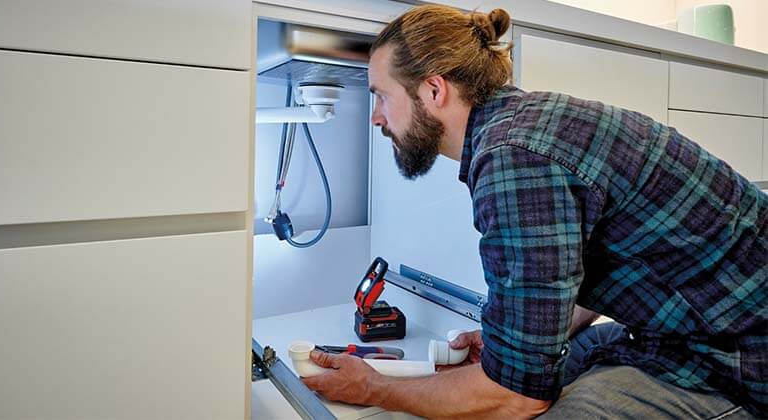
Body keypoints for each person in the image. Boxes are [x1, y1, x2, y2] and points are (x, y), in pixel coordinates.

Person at [301, 4, 767, 418]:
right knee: (545, 365)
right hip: (691, 327)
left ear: (434, 89)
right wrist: (519, 338)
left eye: (381, 95)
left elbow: (518, 398)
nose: (376, 117)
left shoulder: (514, 157)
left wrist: (375, 388)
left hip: (737, 358)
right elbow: (590, 267)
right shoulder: (528, 125)